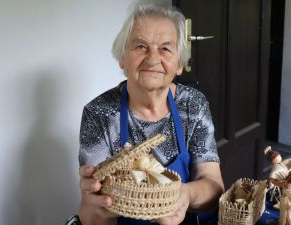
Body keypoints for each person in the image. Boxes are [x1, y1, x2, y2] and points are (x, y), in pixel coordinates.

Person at [77, 4, 224, 225]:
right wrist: (101, 207)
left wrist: (185, 195)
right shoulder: (98, 113)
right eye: (140, 46)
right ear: (122, 59)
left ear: (179, 65)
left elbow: (213, 185)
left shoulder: (192, 104)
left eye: (165, 49)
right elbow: (90, 214)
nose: (153, 58)